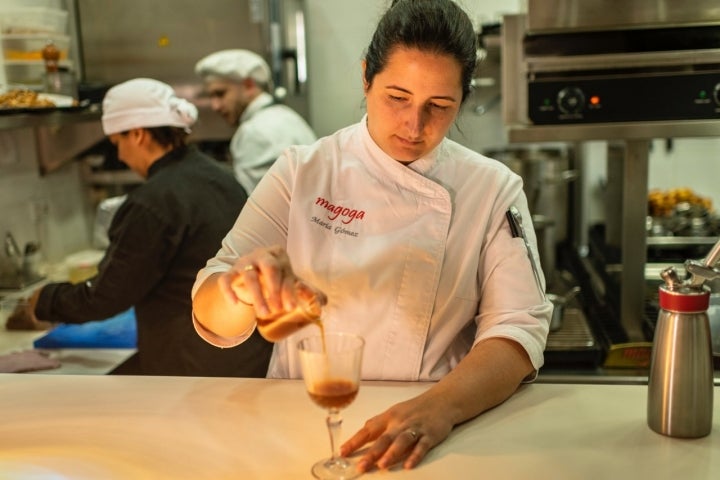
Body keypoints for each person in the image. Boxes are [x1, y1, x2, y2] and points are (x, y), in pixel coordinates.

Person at [191, 0, 551, 472]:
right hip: (302, 420)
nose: (414, 124)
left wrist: (440, 408)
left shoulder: (491, 188)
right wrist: (240, 288)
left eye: (439, 106)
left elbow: (518, 329)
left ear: (463, 97)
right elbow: (213, 304)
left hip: (437, 426)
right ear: (366, 77)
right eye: (397, 97)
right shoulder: (304, 171)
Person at [22, 78, 272, 377]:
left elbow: (106, 296)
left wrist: (42, 303)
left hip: (195, 365)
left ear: (138, 135)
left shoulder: (153, 201)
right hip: (245, 351)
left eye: (118, 143)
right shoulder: (217, 176)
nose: (121, 156)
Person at [194, 49, 317, 194]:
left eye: (221, 94)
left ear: (248, 86)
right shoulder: (286, 116)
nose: (215, 106)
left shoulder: (254, 132)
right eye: (211, 96)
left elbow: (256, 206)